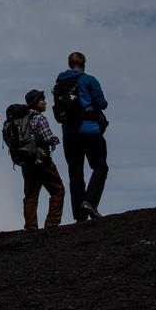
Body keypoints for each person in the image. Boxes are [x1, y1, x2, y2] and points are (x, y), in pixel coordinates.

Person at [56, 52, 108, 221]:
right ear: (83, 63)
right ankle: (90, 202)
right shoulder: (89, 80)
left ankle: (79, 215)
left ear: (69, 63)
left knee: (75, 172)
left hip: (68, 133)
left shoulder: (60, 82)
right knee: (100, 166)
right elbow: (102, 104)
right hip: (90, 129)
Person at [20, 88, 65, 230]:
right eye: (42, 100)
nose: (45, 102)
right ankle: (52, 223)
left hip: (26, 162)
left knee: (31, 194)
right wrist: (55, 139)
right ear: (35, 103)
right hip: (42, 161)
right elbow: (48, 139)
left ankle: (31, 226)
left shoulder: (21, 119)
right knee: (57, 190)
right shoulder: (39, 118)